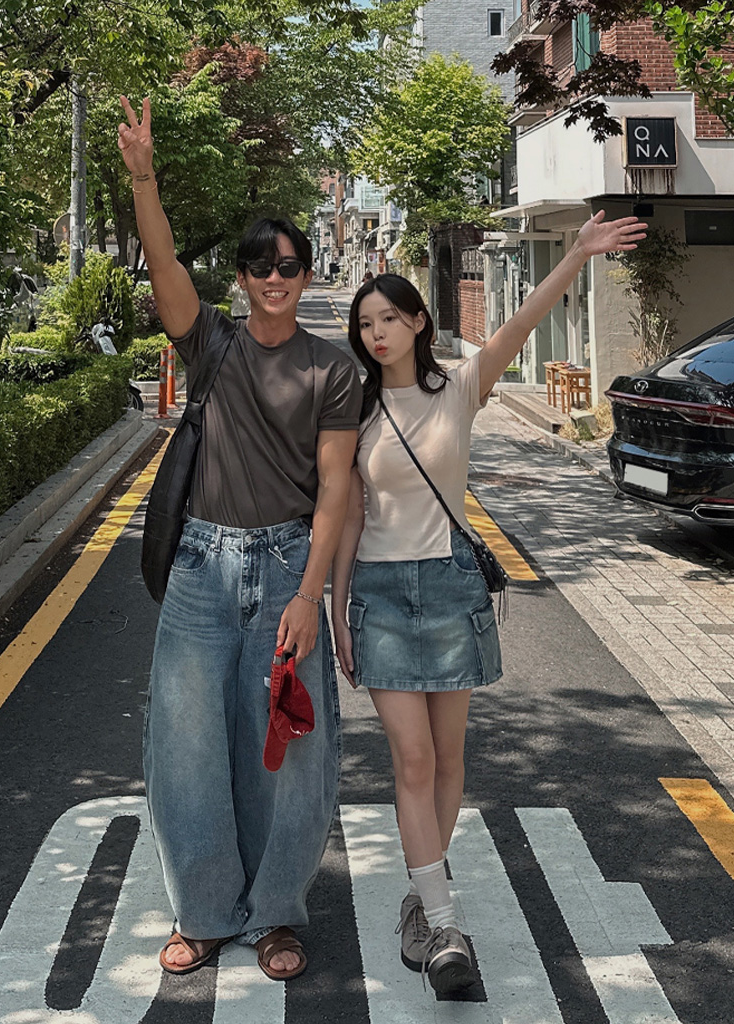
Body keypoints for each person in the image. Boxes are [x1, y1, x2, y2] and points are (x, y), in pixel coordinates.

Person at [331, 211, 646, 996]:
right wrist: (336, 608)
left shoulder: (459, 388)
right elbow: (346, 514)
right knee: (411, 758)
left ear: (418, 322)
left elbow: (522, 319)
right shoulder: (354, 409)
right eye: (365, 324)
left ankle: (422, 892)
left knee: (447, 760)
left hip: (450, 586)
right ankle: (443, 925)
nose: (377, 334)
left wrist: (577, 253)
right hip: (379, 591)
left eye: (389, 319)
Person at [118, 96, 362, 981]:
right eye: (260, 266)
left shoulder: (332, 367)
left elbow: (336, 488)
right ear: (243, 277)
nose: (274, 278)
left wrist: (309, 594)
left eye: (288, 265)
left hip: (288, 562)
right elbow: (162, 262)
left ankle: (277, 914)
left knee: (289, 751)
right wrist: (143, 176)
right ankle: (205, 911)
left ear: (306, 272)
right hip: (200, 567)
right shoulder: (210, 341)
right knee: (186, 746)